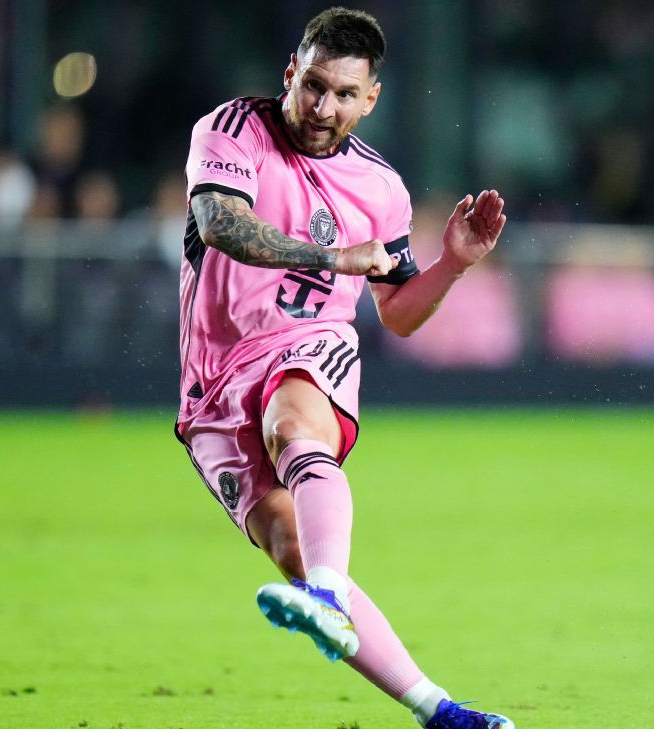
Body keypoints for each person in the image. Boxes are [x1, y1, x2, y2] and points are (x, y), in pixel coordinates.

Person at [174, 8, 512, 729]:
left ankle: (326, 598)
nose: (324, 108)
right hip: (212, 382)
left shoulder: (379, 188)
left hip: (308, 343)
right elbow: (220, 225)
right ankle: (440, 711)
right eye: (314, 86)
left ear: (371, 99)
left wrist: (452, 263)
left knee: (294, 426)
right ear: (290, 73)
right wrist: (335, 256)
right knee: (292, 546)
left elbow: (398, 313)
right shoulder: (232, 130)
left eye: (344, 95)